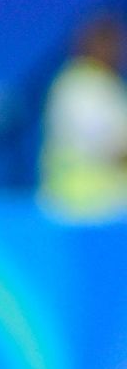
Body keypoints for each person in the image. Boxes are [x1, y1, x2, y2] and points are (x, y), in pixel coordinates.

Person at [39, 13, 127, 223]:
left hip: (110, 210)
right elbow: (109, 146)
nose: (116, 51)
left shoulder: (107, 84)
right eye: (108, 43)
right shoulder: (80, 87)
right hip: (82, 211)